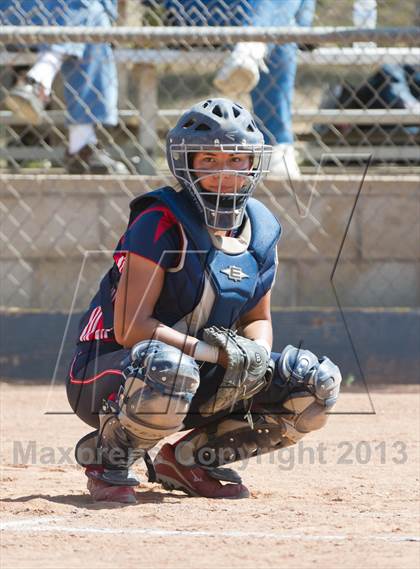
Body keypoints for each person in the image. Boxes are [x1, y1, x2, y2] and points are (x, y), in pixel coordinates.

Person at [66, 97, 342, 504]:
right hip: (107, 370)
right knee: (169, 367)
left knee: (312, 384)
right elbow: (130, 328)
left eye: (235, 160)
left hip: (196, 368)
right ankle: (111, 455)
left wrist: (256, 354)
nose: (223, 173)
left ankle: (190, 459)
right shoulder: (159, 221)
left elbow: (257, 318)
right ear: (186, 163)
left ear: (253, 164)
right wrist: (213, 354)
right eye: (208, 160)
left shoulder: (262, 230)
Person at [159, 0, 317, 178]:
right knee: (282, 27)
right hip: (205, 12)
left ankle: (251, 44)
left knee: (281, 23)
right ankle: (276, 146)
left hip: (267, 10)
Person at [1, 0, 129, 174]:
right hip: (17, 12)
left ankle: (39, 77)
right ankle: (81, 146)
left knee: (92, 16)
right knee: (92, 14)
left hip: (69, 16)